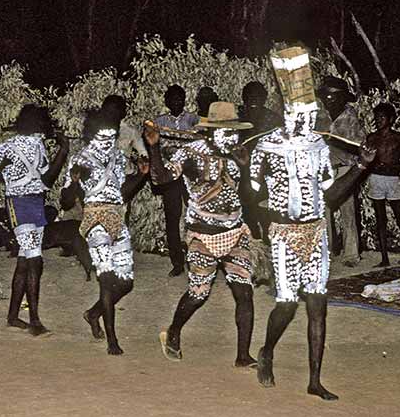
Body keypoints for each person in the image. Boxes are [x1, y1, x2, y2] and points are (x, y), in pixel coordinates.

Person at [249, 44, 376, 400]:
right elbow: (253, 194)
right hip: (284, 236)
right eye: (299, 112)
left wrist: (361, 166)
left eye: (309, 112)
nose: (305, 118)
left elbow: (331, 195)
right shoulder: (266, 148)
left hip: (316, 231)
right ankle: (267, 350)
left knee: (318, 306)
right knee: (287, 304)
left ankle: (315, 380)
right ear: (286, 113)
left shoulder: (319, 148)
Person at [145, 101, 257, 367]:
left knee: (244, 293)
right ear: (209, 132)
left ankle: (243, 356)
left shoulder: (238, 154)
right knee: (198, 294)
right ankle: (173, 331)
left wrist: (246, 167)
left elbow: (252, 196)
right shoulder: (190, 153)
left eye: (234, 131)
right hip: (202, 236)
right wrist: (154, 148)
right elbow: (160, 179)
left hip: (236, 232)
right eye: (225, 131)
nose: (231, 137)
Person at [62, 108, 147, 355]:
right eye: (103, 135)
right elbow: (65, 201)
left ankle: (93, 313)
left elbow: (123, 193)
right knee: (107, 279)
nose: (108, 140)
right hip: (94, 219)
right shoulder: (80, 159)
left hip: (116, 218)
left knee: (126, 282)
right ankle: (112, 339)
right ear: (91, 135)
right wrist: (76, 182)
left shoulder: (118, 158)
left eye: (112, 135)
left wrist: (141, 177)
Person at [0, 104, 69, 335]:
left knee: (26, 261)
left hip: (35, 203)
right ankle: (34, 320)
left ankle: (13, 316)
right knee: (35, 260)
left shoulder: (37, 146)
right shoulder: (7, 147)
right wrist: (62, 151)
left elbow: (45, 182)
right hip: (18, 203)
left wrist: (63, 151)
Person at [150, 85, 199, 276]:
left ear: (185, 100)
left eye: (180, 99)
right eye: (173, 99)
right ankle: (177, 263)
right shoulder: (159, 121)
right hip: (170, 176)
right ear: (167, 101)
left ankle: (198, 257)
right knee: (172, 219)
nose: (176, 102)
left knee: (197, 215)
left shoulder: (193, 120)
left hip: (191, 173)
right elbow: (153, 146)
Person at [317, 75, 366, 266]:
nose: (329, 100)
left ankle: (351, 254)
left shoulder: (351, 118)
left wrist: (337, 142)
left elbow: (360, 146)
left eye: (333, 96)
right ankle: (326, 252)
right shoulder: (319, 116)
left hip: (345, 169)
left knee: (348, 213)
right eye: (326, 97)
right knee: (324, 212)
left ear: (343, 97)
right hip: (323, 169)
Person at [363, 102, 400, 267]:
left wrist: (390, 167)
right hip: (376, 179)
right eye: (376, 117)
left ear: (391, 119)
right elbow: (365, 161)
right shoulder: (371, 138)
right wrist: (373, 166)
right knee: (380, 219)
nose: (378, 120)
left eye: (382, 117)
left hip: (392, 180)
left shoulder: (399, 138)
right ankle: (384, 258)